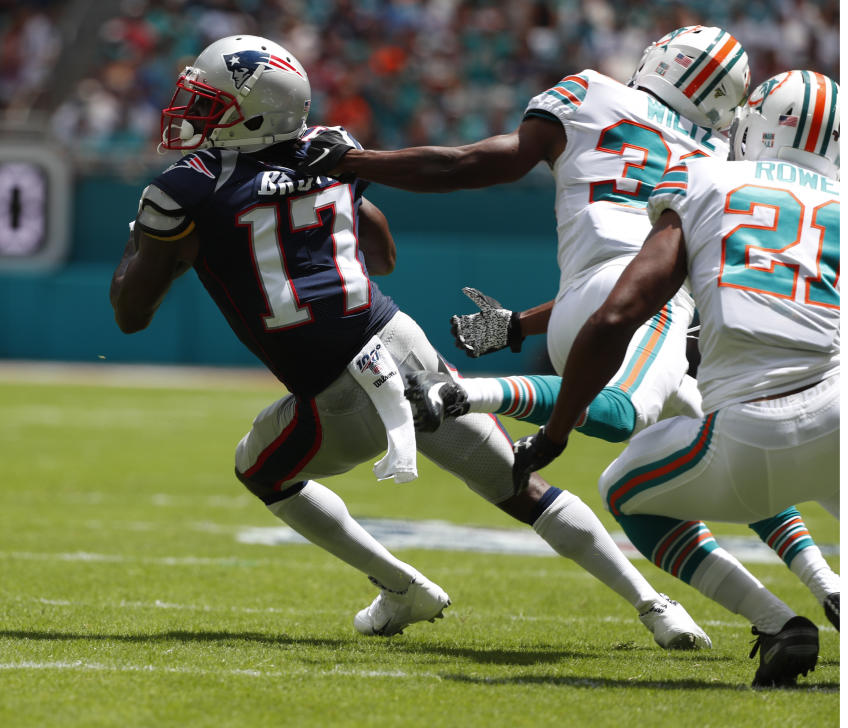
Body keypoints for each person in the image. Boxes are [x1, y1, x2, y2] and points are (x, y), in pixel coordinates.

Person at [109, 34, 710, 647]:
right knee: (518, 487)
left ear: (252, 112)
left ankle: (402, 587)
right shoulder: (331, 153)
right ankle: (658, 607)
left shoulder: (186, 187)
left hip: (336, 389)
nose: (194, 113)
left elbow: (131, 313)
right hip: (402, 343)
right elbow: (384, 255)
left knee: (259, 470)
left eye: (209, 103)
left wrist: (147, 241)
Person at [293, 26, 839, 641]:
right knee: (639, 419)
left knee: (706, 441)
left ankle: (804, 603)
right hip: (655, 309)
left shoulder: (592, 93)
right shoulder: (724, 162)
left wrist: (354, 161)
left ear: (665, 59)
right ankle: (468, 394)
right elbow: (642, 284)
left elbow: (469, 164)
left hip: (600, 302)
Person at [512, 70, 840, 688]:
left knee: (625, 488)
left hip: (750, 433)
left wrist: (556, 433)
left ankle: (777, 622)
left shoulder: (705, 175)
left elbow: (621, 312)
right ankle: (830, 588)